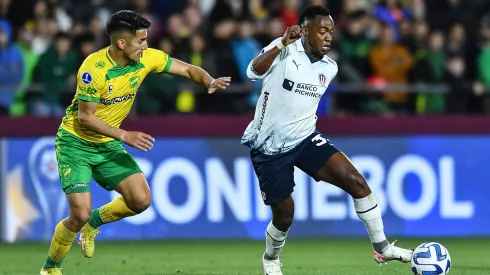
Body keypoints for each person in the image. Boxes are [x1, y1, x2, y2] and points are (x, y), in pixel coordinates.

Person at [40, 10, 231, 275]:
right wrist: (125, 135)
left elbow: (186, 68)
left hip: (107, 144)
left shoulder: (147, 58)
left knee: (140, 200)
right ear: (121, 43)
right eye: (141, 40)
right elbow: (85, 118)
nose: (145, 45)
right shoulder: (93, 69)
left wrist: (208, 80)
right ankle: (51, 268)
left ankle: (94, 223)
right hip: (76, 144)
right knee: (78, 213)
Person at [241, 5, 413, 275]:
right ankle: (270, 258)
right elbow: (252, 72)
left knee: (357, 181)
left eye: (331, 31)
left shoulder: (329, 67)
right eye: (322, 31)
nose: (329, 37)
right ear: (305, 31)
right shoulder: (284, 48)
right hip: (270, 147)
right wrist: (280, 45)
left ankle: (382, 249)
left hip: (306, 138)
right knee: (284, 216)